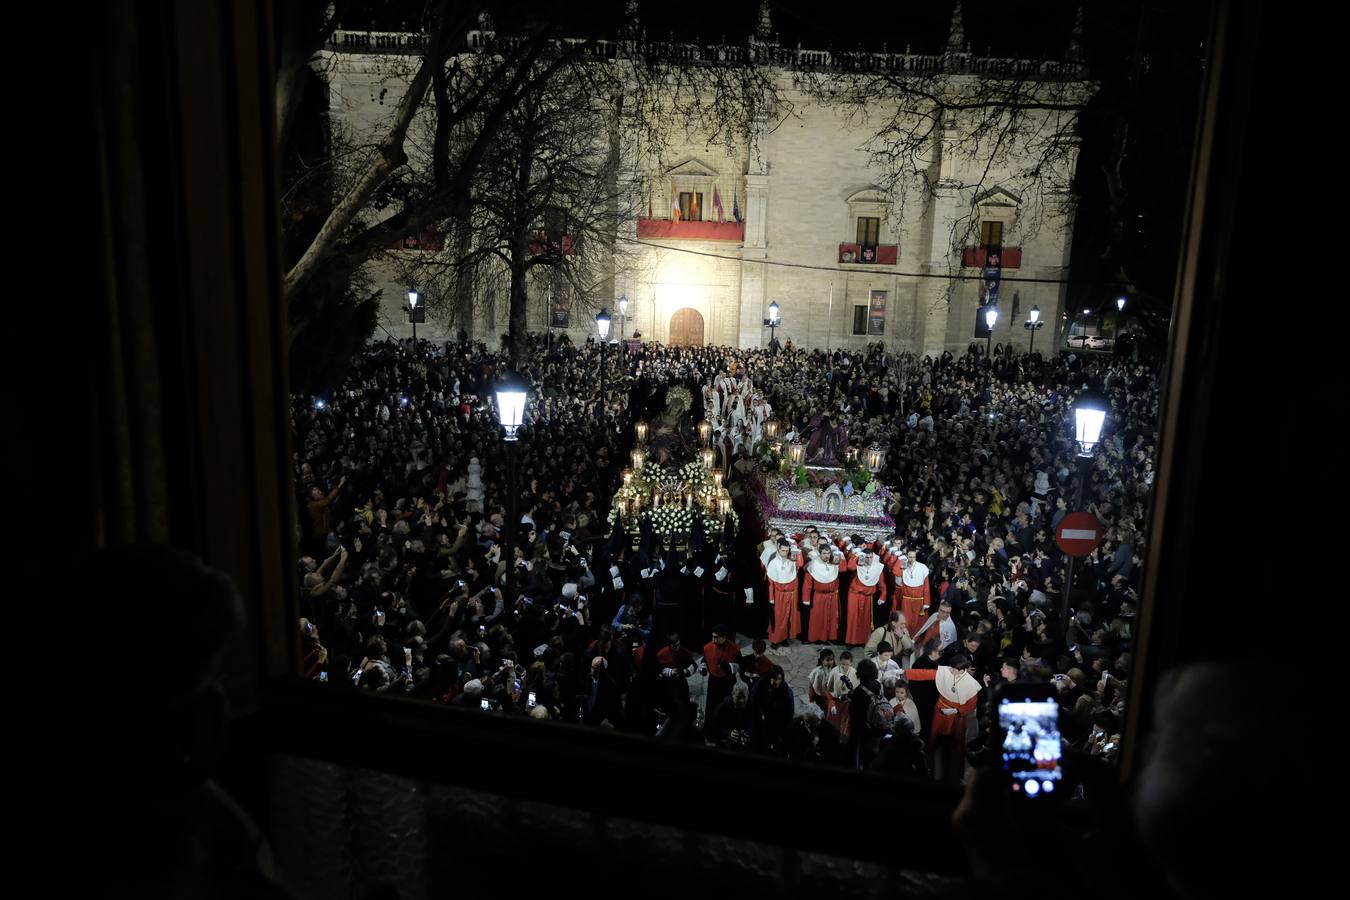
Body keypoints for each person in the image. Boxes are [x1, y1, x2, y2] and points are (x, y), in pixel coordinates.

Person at [902, 655, 982, 783]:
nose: (951, 671)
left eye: (954, 670)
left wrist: (956, 711)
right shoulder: (947, 671)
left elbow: (972, 704)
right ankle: (933, 767)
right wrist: (904, 673)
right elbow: (925, 674)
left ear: (963, 670)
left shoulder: (971, 684)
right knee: (935, 738)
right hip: (940, 712)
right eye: (951, 668)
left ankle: (955, 771)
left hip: (956, 717)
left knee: (955, 742)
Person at [841, 540, 887, 645]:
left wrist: (883, 596)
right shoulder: (858, 565)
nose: (869, 559)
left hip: (868, 597)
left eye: (871, 557)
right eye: (867, 557)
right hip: (854, 595)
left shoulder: (877, 567)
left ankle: (863, 641)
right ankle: (850, 641)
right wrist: (857, 555)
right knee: (853, 618)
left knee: (865, 619)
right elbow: (850, 566)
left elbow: (882, 584)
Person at [885, 543, 931, 635]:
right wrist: (899, 561)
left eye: (913, 557)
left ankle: (916, 640)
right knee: (906, 621)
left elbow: (926, 586)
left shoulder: (922, 567)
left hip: (919, 600)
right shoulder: (903, 566)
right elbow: (895, 572)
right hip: (906, 599)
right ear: (906, 556)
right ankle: (905, 639)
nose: (912, 559)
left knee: (917, 622)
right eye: (910, 557)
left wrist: (926, 602)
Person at [762, 539, 802, 646]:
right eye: (783, 550)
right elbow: (770, 583)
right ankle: (775, 639)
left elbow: (800, 564)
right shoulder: (773, 563)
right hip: (779, 595)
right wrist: (771, 598)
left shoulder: (791, 562)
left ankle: (784, 638)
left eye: (787, 551)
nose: (785, 553)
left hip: (792, 594)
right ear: (778, 549)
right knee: (778, 618)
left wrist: (797, 550)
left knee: (789, 617)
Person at [748, 665, 795, 754]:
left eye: (779, 679)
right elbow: (753, 702)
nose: (776, 681)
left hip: (777, 724)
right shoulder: (760, 686)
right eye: (774, 678)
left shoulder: (786, 692)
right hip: (761, 723)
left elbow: (789, 714)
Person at [804, 539, 842, 643]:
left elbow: (844, 569)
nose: (826, 556)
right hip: (819, 596)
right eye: (824, 553)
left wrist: (840, 557)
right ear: (820, 553)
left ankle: (828, 638)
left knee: (830, 618)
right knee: (817, 618)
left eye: (828, 553)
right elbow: (807, 584)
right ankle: (815, 638)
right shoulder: (813, 565)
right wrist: (806, 598)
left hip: (832, 596)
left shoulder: (833, 563)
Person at [700, 624, 741, 716]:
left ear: (724, 637)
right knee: (711, 705)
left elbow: (739, 665)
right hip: (713, 681)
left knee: (725, 707)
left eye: (716, 637)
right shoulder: (707, 647)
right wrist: (703, 667)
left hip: (727, 681)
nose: (714, 640)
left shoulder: (734, 649)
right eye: (712, 637)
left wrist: (728, 666)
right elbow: (705, 659)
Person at [806, 648, 836, 715]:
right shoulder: (817, 672)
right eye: (827, 660)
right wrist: (811, 698)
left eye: (831, 660)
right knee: (821, 711)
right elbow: (811, 686)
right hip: (820, 697)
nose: (830, 662)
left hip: (830, 696)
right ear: (822, 660)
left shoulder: (835, 670)